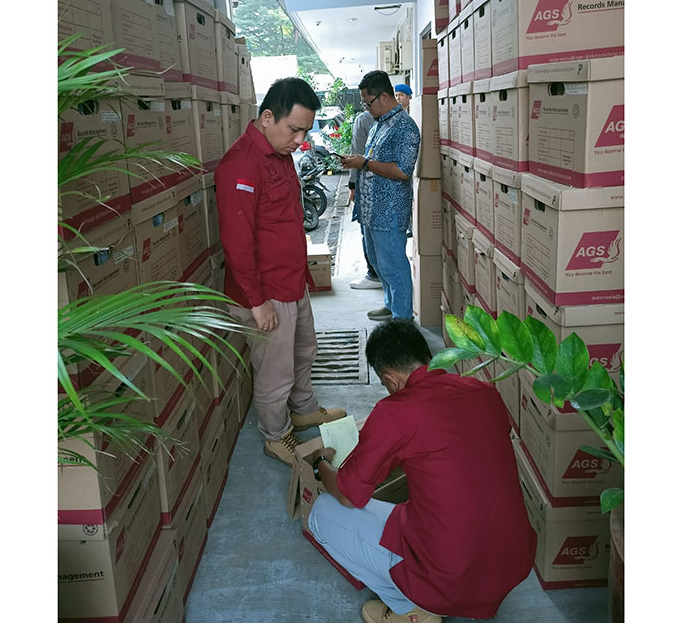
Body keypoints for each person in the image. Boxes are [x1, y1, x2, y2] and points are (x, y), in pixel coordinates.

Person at [306, 319, 535, 623]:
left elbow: (350, 496)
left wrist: (321, 464)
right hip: (512, 560)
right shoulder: (484, 391)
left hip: (451, 578)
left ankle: (412, 611)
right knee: (418, 507)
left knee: (321, 513)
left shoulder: (395, 412)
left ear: (390, 379)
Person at [215, 77, 347, 466]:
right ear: (268, 117)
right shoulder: (240, 165)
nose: (301, 139)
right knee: (275, 372)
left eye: (306, 130)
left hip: (291, 282)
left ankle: (304, 409)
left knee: (305, 350)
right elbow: (238, 243)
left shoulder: (281, 155)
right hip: (265, 293)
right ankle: (276, 435)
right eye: (295, 129)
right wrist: (257, 304)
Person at [340, 71, 420, 321]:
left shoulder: (405, 127)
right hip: (372, 209)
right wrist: (359, 163)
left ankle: (403, 319)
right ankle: (390, 304)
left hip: (390, 211)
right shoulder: (379, 124)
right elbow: (371, 161)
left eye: (368, 102)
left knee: (394, 265)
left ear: (384, 96)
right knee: (379, 263)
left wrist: (363, 163)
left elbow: (402, 171)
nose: (366, 108)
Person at [347, 108, 380, 290]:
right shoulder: (401, 119)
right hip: (387, 188)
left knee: (367, 232)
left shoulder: (364, 119)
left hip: (367, 186)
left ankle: (373, 274)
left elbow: (357, 152)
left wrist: (353, 185)